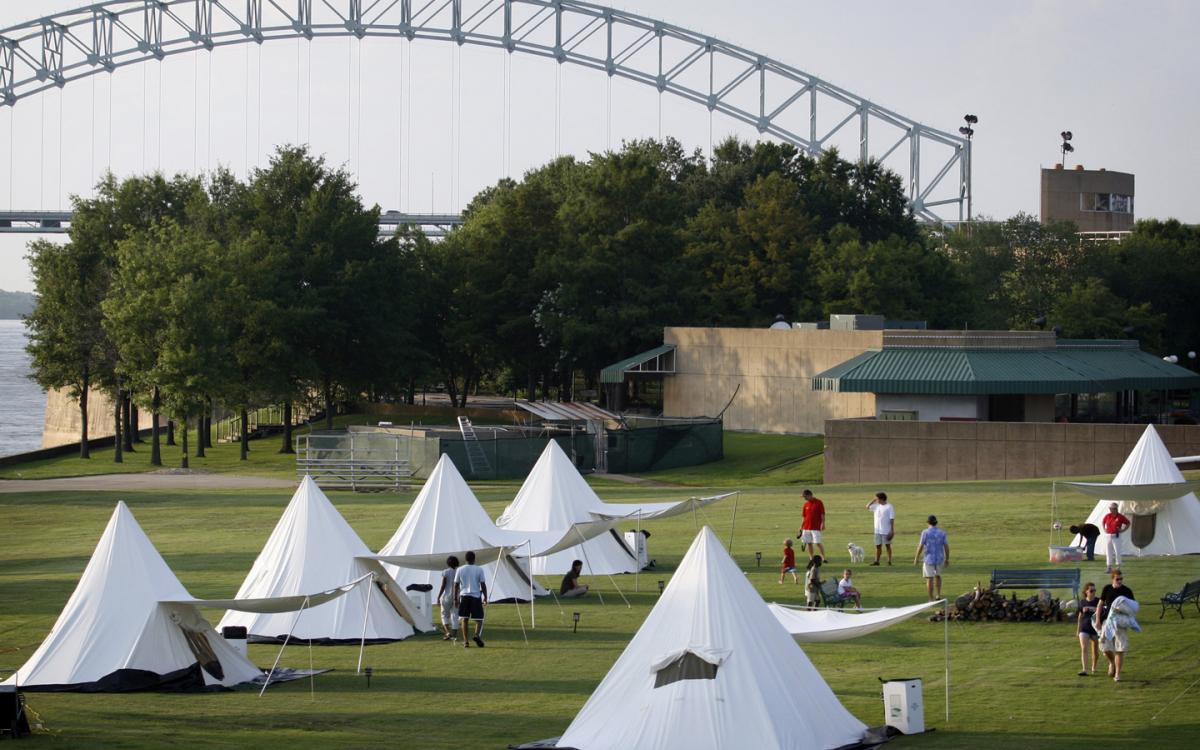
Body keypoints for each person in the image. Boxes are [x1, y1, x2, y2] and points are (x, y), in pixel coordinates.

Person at [1097, 569, 1135, 681]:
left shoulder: (1127, 591)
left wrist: (1123, 610)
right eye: (1117, 579)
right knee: (1104, 647)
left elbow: (1133, 607)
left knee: (1120, 648)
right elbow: (1100, 605)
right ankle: (1112, 662)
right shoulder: (1107, 589)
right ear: (1112, 579)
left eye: (1121, 579)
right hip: (1107, 621)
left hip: (1121, 622)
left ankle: (1117, 674)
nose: (1120, 581)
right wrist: (1098, 620)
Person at [454, 550, 488, 648]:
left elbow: (455, 584)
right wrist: (485, 597)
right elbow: (483, 584)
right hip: (476, 596)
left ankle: (466, 641)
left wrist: (455, 599)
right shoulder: (479, 569)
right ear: (474, 559)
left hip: (464, 596)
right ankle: (477, 635)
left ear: (466, 559)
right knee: (479, 619)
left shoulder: (460, 569)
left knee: (464, 619)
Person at [913, 515, 950, 601]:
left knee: (929, 578)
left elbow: (921, 546)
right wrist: (947, 559)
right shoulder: (942, 532)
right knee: (938, 576)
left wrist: (916, 557)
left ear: (928, 523)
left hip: (928, 559)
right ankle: (938, 595)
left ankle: (930, 598)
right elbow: (946, 546)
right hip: (940, 558)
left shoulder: (925, 532)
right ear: (936, 523)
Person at [1076, 582, 1100, 676]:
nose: (1093, 592)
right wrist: (1078, 630)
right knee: (1084, 648)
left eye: (1094, 590)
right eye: (1091, 590)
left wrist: (1097, 610)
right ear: (1086, 591)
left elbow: (1104, 613)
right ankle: (1084, 670)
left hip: (1095, 629)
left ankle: (1094, 667)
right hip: (1084, 628)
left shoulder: (1098, 601)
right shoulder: (1082, 602)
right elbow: (1080, 616)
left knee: (1095, 650)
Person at [866, 491, 895, 566]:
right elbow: (867, 506)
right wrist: (873, 500)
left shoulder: (889, 506)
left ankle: (889, 561)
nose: (876, 500)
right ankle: (877, 561)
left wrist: (892, 530)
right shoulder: (877, 506)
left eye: (877, 498)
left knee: (887, 546)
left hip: (886, 530)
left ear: (882, 499)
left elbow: (892, 519)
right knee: (877, 546)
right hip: (877, 530)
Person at [436, 555, 461, 641]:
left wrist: (438, 596)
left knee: (444, 615)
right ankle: (454, 635)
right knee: (455, 615)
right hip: (457, 597)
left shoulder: (445, 572)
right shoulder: (459, 571)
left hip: (446, 596)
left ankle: (447, 632)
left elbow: (443, 586)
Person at [798, 489, 827, 561]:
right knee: (809, 543)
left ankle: (823, 557)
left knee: (817, 543)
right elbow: (804, 517)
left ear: (809, 495)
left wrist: (823, 524)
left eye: (805, 497)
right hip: (806, 527)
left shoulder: (819, 502)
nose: (804, 498)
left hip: (815, 527)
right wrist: (801, 526)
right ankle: (811, 558)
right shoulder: (806, 504)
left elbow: (822, 514)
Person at [1100, 503, 1131, 572]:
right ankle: (1109, 566)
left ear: (1116, 509)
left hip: (1116, 535)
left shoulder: (1120, 516)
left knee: (1117, 551)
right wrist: (1104, 529)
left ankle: (1118, 566)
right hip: (1108, 535)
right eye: (1111, 508)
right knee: (1108, 551)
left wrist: (1123, 530)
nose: (1112, 510)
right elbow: (1103, 521)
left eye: (1113, 508)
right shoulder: (1107, 516)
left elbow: (1128, 523)